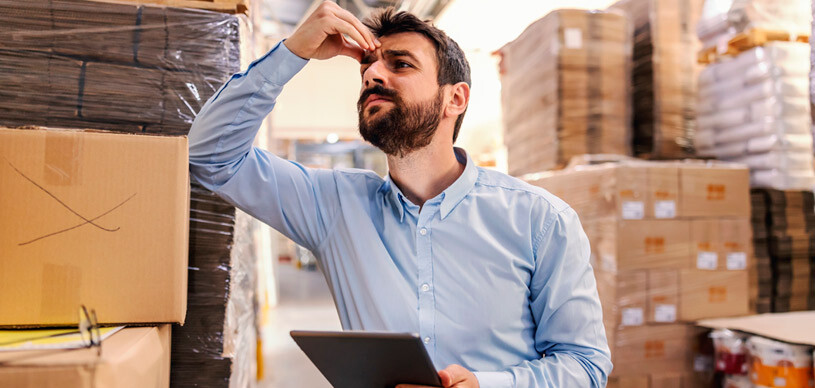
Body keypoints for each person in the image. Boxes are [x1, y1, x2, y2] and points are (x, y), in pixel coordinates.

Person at [188, 2, 612, 387]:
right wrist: (292, 52)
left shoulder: (541, 220)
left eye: (401, 64)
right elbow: (209, 156)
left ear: (455, 99)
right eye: (368, 67)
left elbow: (585, 364)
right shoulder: (332, 205)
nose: (372, 74)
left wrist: (488, 385)